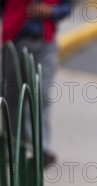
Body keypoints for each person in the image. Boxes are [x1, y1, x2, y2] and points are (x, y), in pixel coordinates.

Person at [1, 0, 72, 166]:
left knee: (42, 95)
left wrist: (51, 12)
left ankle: (42, 148)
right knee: (12, 97)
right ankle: (14, 145)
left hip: (45, 43)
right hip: (15, 41)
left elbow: (67, 6)